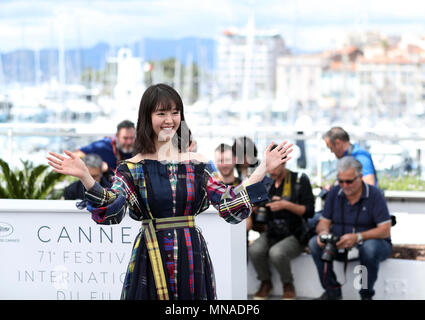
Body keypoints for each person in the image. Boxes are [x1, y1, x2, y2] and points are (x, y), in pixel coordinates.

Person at [47, 83, 293, 300]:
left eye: (175, 112)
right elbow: (112, 210)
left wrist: (262, 168)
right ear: (147, 117)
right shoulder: (132, 167)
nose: (170, 119)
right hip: (149, 256)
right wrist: (86, 176)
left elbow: (228, 205)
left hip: (191, 254)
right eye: (161, 113)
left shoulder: (197, 163)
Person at [308, 157, 392, 300]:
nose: (344, 185)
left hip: (371, 243)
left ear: (360, 177)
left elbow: (385, 229)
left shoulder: (375, 195)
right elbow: (324, 221)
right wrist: (323, 233)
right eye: (340, 181)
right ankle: (332, 291)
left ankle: (366, 295)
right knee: (314, 243)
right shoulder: (334, 193)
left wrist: (358, 237)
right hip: (341, 243)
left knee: (369, 249)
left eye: (349, 181)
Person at [248, 145, 315, 300]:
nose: (271, 169)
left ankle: (288, 284)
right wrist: (257, 209)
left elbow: (310, 211)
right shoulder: (265, 183)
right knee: (254, 250)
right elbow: (255, 209)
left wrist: (286, 205)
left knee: (276, 253)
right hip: (272, 231)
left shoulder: (299, 180)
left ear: (284, 162)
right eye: (269, 165)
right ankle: (266, 283)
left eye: (275, 165)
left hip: (295, 233)